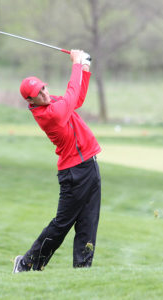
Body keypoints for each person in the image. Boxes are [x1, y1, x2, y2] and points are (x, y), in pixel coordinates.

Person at [13, 50, 101, 273]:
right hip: (74, 173)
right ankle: (26, 263)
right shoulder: (48, 114)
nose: (43, 93)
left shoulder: (52, 102)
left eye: (43, 87)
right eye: (37, 93)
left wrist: (85, 69)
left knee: (88, 223)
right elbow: (71, 96)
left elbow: (77, 99)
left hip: (89, 165)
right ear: (30, 100)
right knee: (61, 225)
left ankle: (83, 270)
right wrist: (77, 64)